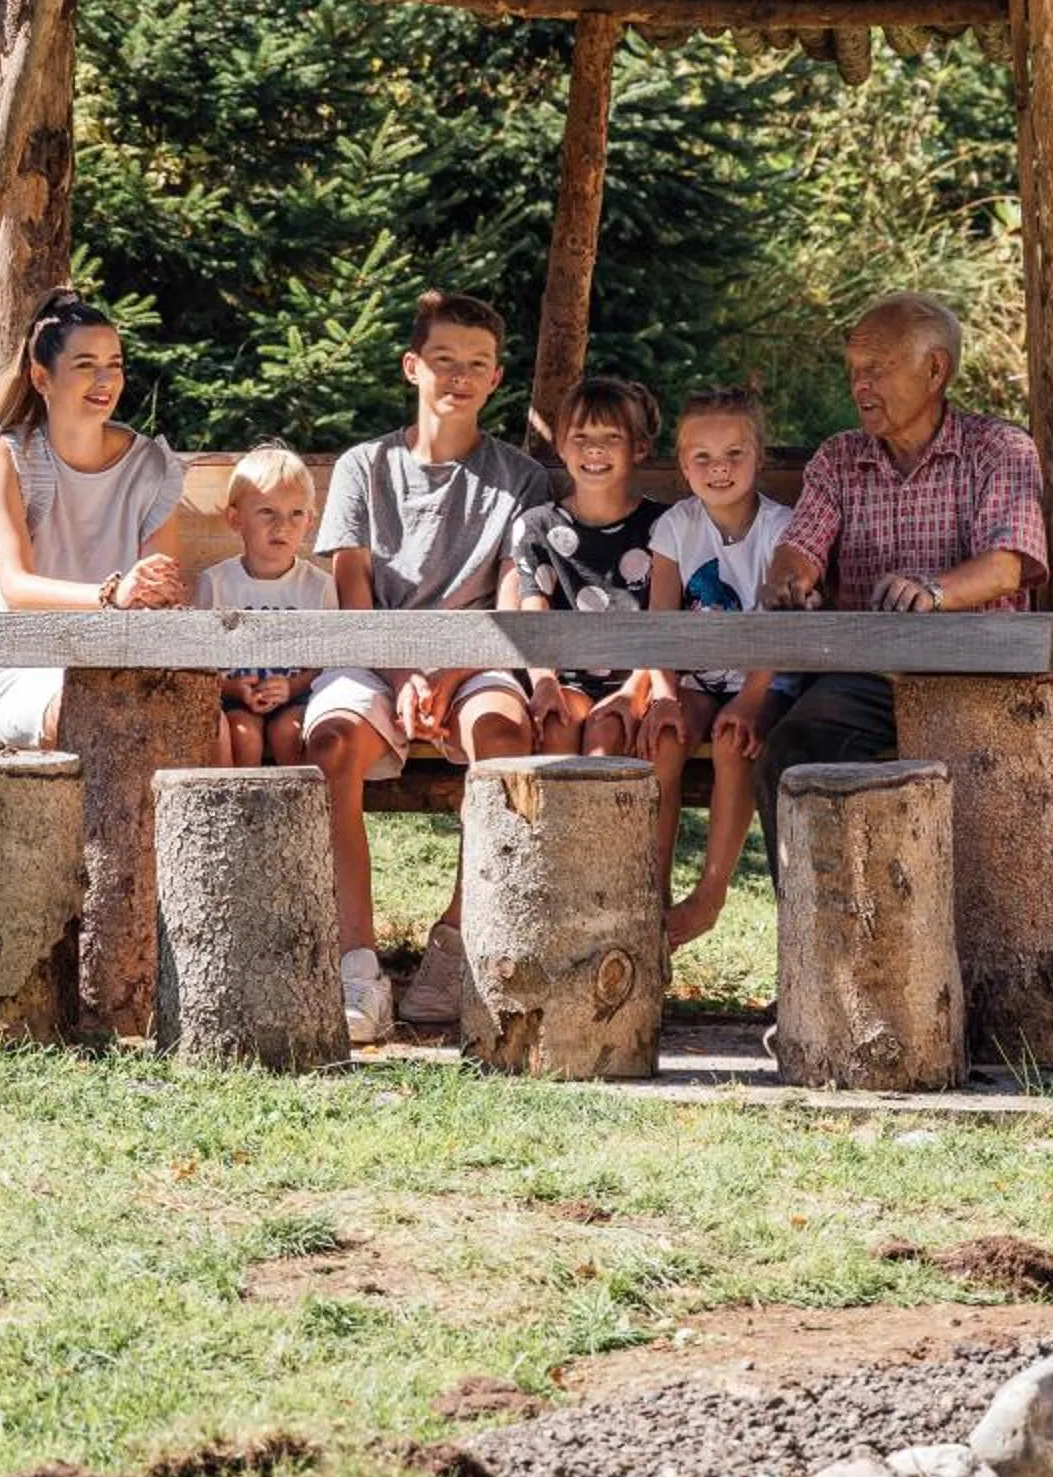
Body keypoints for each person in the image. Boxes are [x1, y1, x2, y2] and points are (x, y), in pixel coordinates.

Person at [305, 289, 551, 1044]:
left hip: (478, 655)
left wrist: (445, 672)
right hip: (374, 652)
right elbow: (352, 594)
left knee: (504, 733)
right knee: (330, 745)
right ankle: (357, 965)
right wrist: (405, 670)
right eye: (443, 361)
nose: (459, 377)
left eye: (476, 364)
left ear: (497, 378)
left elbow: (514, 602)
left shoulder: (519, 480)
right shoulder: (363, 467)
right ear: (414, 367)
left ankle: (456, 941)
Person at [757, 291, 1048, 870]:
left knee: (1003, 780)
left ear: (935, 369)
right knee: (792, 751)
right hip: (870, 675)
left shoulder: (998, 448)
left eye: (876, 370)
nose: (859, 386)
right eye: (853, 372)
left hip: (976, 674)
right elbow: (798, 552)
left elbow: (1008, 564)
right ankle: (815, 927)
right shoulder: (840, 458)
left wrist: (933, 592)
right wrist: (792, 581)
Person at [0, 288, 188, 749]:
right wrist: (113, 594)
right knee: (91, 717)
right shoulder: (8, 457)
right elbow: (17, 587)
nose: (105, 380)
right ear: (41, 377)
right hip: (32, 664)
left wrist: (148, 592)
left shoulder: (152, 466)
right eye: (86, 366)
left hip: (125, 661)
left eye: (115, 365)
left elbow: (160, 588)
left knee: (202, 724)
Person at [640, 385, 797, 951]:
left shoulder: (783, 529)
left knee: (734, 741)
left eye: (734, 455)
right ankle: (649, 894)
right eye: (702, 457)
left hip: (766, 675)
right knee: (664, 738)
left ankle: (710, 893)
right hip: (699, 675)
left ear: (759, 456)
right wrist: (662, 693)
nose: (719, 469)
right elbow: (659, 622)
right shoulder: (676, 528)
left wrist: (753, 698)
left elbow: (782, 624)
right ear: (683, 466)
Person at [506, 376, 663, 756]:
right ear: (560, 445)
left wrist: (635, 692)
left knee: (606, 737)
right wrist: (544, 682)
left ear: (639, 447)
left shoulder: (663, 527)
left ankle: (615, 819)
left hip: (642, 679)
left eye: (611, 437)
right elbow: (533, 611)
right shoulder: (536, 527)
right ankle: (553, 820)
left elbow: (666, 619)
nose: (594, 449)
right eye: (580, 437)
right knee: (556, 727)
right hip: (567, 679)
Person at [196, 444, 337, 766]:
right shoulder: (215, 584)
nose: (282, 526)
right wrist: (232, 688)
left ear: (310, 521)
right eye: (267, 512)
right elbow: (196, 661)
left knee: (289, 732)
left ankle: (296, 813)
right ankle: (241, 812)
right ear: (235, 519)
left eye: (295, 513)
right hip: (234, 698)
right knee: (242, 733)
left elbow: (330, 659)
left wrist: (292, 686)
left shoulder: (319, 586)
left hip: (297, 696)